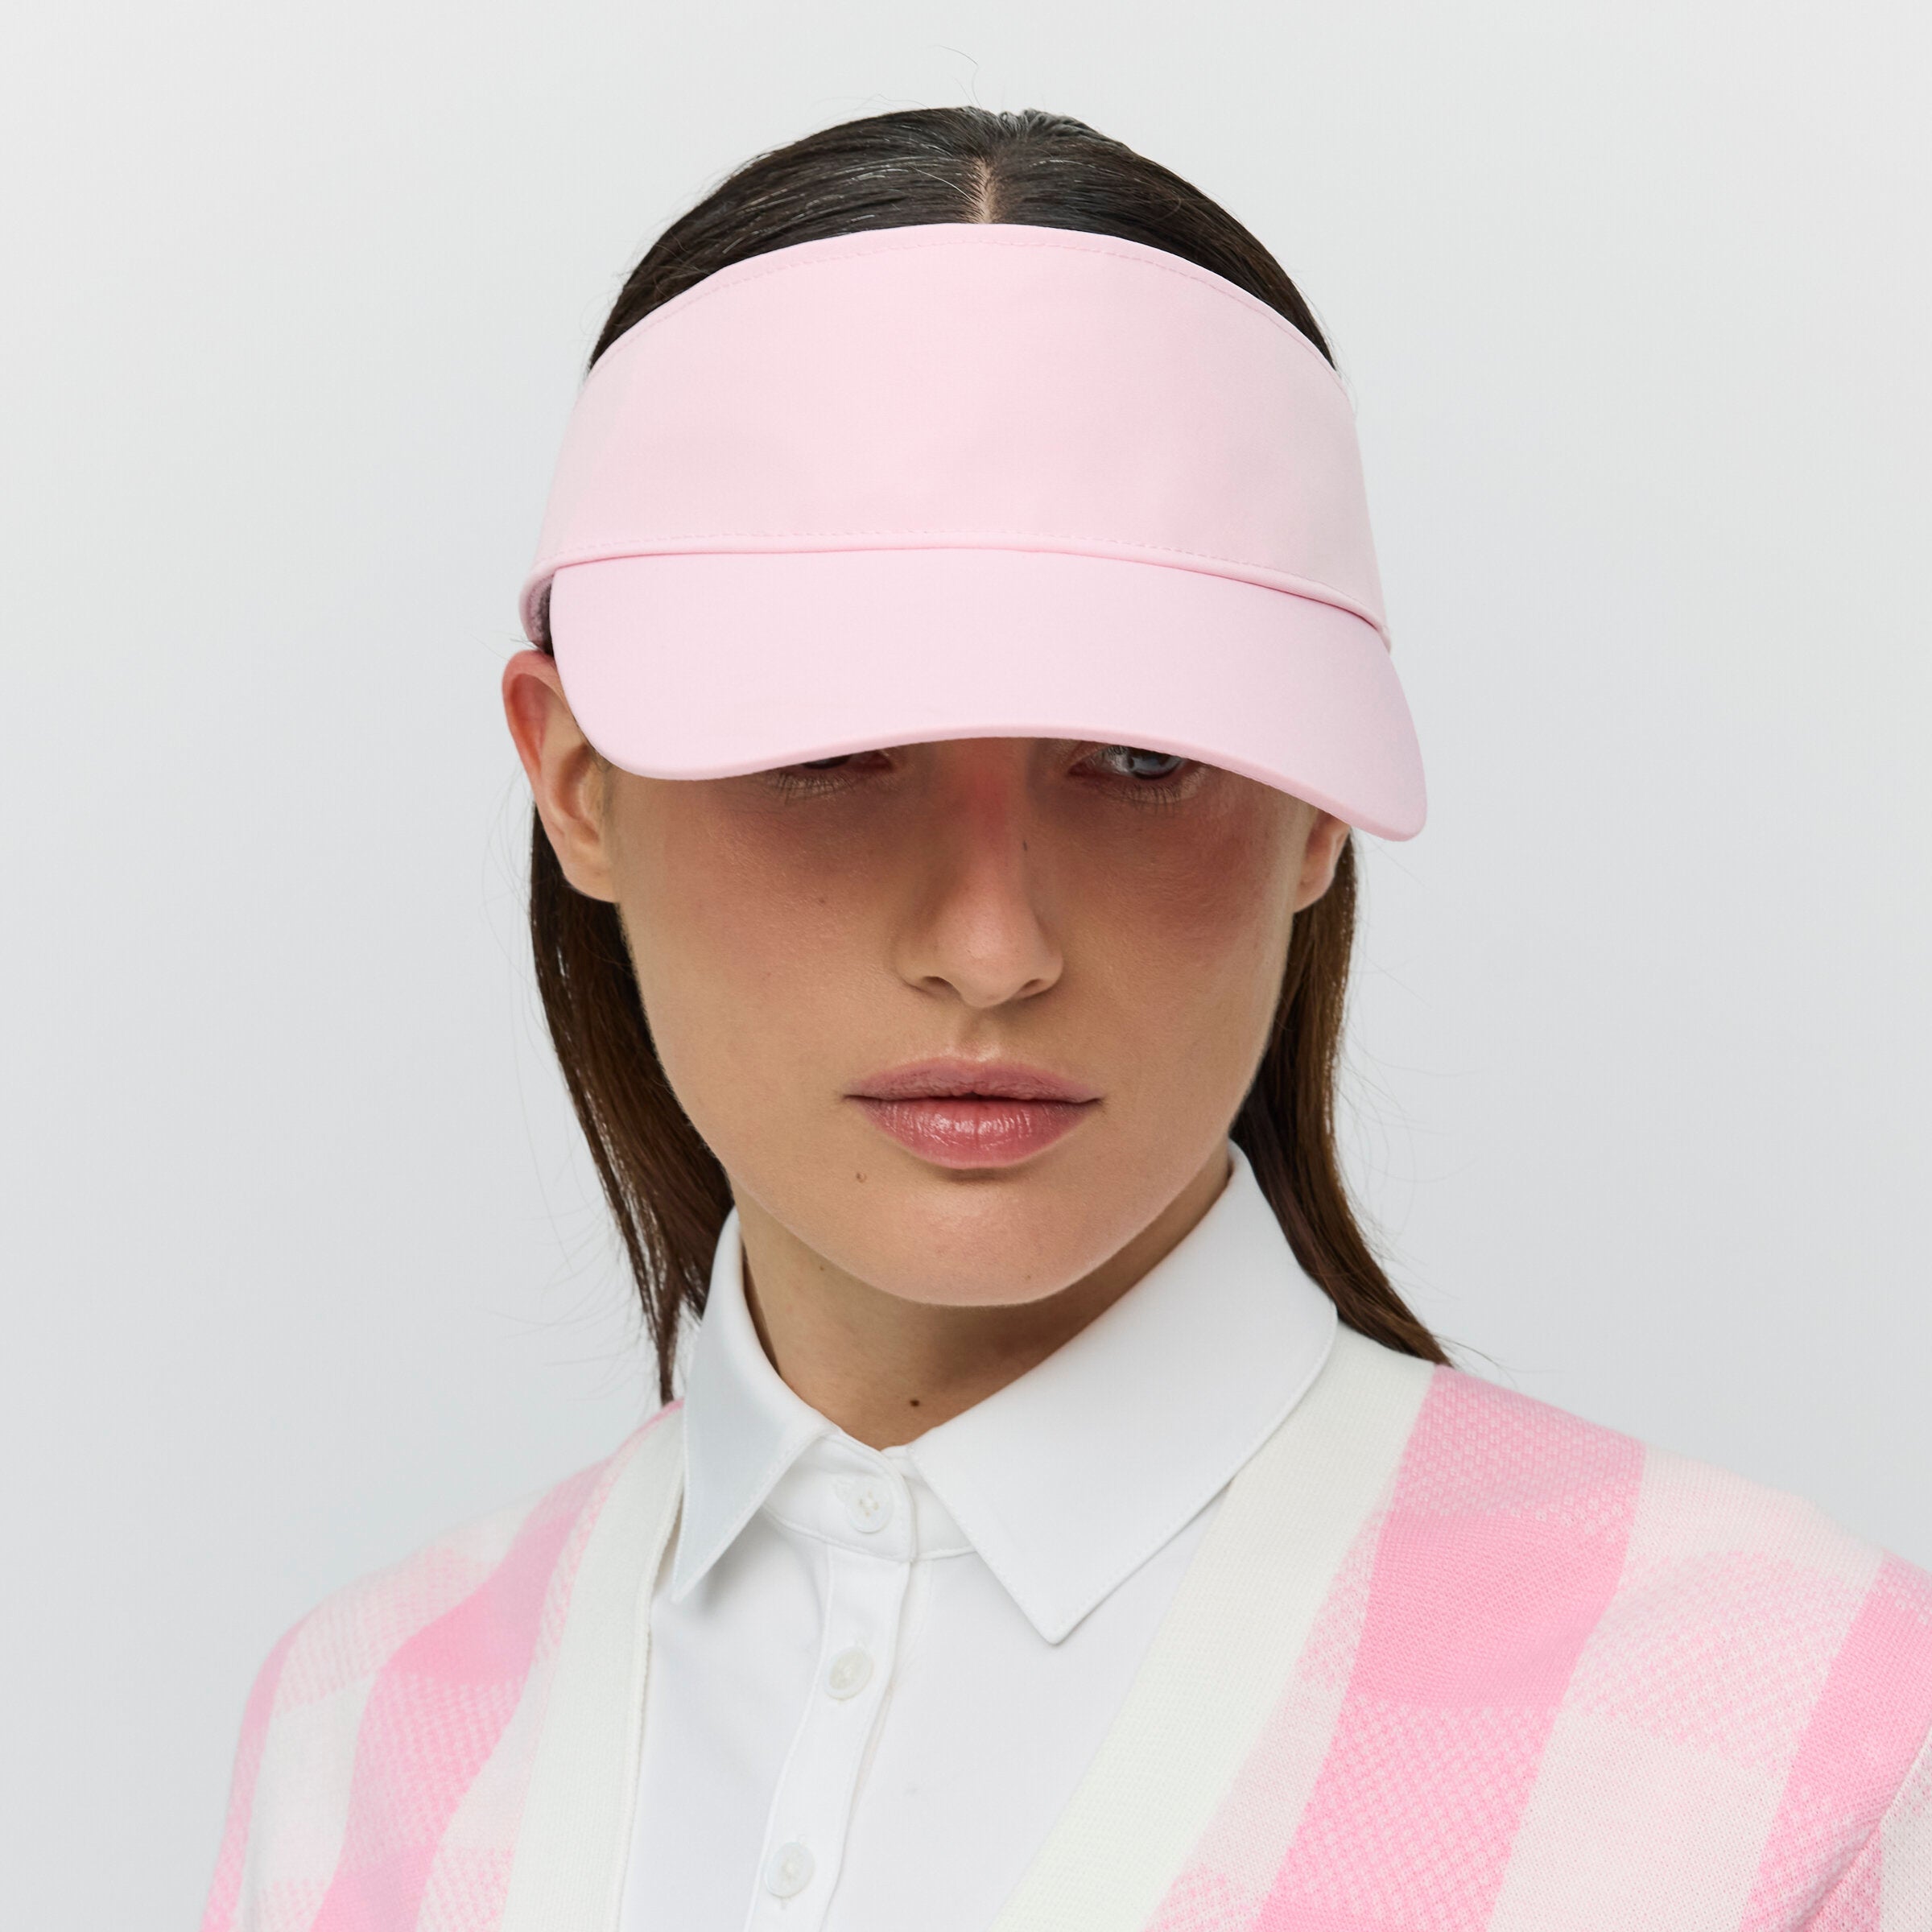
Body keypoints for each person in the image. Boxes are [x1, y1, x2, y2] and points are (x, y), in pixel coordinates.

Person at [200, 107, 1932, 1932]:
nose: (992, 946)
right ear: (576, 781)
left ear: (1316, 810)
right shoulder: (358, 1737)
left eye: (1137, 758)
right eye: (831, 752)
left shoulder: (1793, 1737)